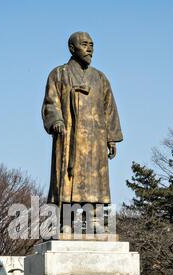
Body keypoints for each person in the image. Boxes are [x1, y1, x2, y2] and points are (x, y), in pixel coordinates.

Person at [42, 32, 123, 208]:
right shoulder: (59, 74)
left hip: (96, 139)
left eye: (92, 45)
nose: (90, 49)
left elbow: (109, 108)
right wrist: (56, 120)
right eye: (85, 44)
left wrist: (111, 138)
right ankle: (66, 219)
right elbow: (51, 102)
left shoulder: (100, 78)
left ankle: (95, 216)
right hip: (69, 136)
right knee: (67, 181)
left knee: (96, 180)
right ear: (72, 48)